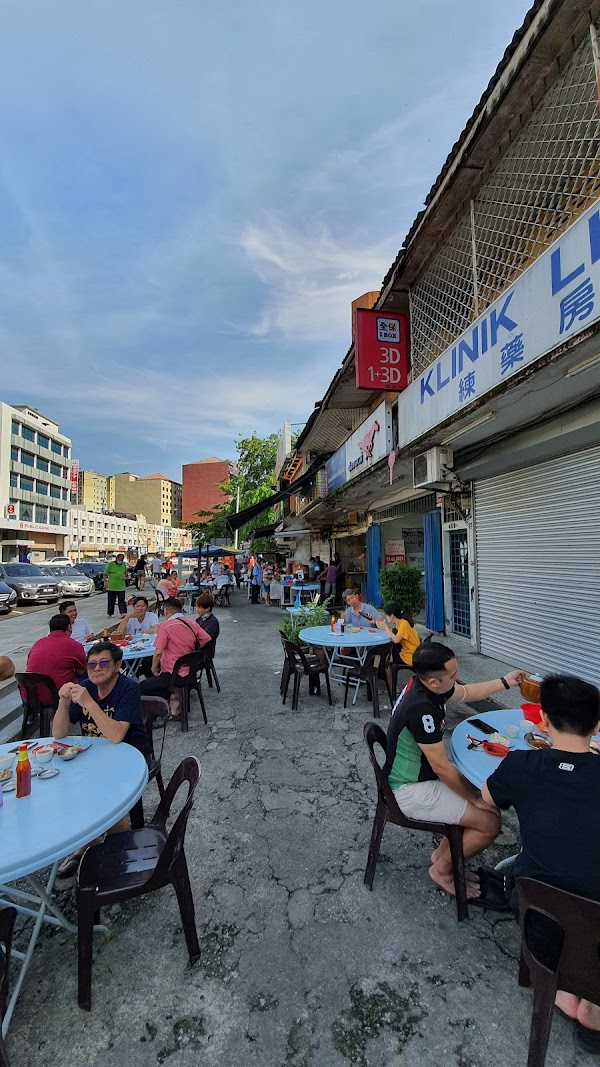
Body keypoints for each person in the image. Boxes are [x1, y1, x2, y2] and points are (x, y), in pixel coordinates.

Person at [481, 674, 600, 1051]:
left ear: (543, 720)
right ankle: (592, 1007)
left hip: (536, 912)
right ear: (597, 726)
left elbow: (487, 797)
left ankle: (560, 987)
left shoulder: (521, 766)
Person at [384, 640, 525, 899]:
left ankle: (444, 856)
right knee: (489, 823)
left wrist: (505, 682)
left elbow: (467, 693)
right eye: (452, 674)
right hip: (407, 789)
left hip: (417, 778)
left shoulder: (429, 685)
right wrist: (471, 799)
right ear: (433, 681)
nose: (457, 677)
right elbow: (442, 768)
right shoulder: (421, 708)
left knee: (487, 799)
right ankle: (442, 870)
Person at [52, 640, 151, 876]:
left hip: (131, 757)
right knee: (63, 787)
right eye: (91, 665)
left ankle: (115, 852)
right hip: (95, 758)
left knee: (105, 796)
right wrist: (63, 703)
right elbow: (58, 733)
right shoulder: (85, 686)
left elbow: (117, 735)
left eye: (104, 663)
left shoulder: (128, 688)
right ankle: (89, 843)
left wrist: (88, 702)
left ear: (118, 665)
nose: (96, 669)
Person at [139, 597, 210, 718]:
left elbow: (158, 652)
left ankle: (157, 712)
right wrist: (192, 652)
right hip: (190, 673)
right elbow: (206, 639)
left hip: (172, 676)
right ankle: (174, 701)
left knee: (140, 686)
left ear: (166, 611)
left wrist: (153, 669)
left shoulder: (166, 626)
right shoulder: (191, 622)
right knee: (154, 679)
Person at [25, 614, 87, 705]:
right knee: (87, 676)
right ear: (69, 627)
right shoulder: (75, 645)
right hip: (56, 696)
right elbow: (81, 671)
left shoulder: (38, 643)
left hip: (29, 696)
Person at [375, 603, 420, 667]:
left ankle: (386, 674)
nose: (385, 617)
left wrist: (385, 627)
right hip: (410, 652)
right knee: (388, 651)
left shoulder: (404, 624)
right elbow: (394, 633)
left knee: (387, 659)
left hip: (410, 655)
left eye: (386, 615)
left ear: (392, 615)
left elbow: (396, 640)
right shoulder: (400, 622)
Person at [103, 553, 127, 617]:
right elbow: (105, 574)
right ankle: (110, 613)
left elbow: (125, 572)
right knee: (111, 600)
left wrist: (125, 576)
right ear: (116, 559)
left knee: (121, 600)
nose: (120, 561)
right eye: (119, 559)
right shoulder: (111, 564)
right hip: (112, 586)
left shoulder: (123, 564)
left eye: (122, 560)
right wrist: (105, 582)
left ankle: (123, 612)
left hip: (121, 586)